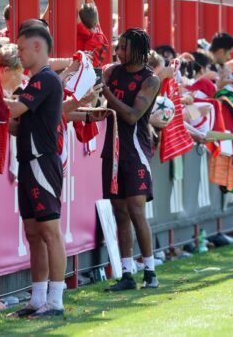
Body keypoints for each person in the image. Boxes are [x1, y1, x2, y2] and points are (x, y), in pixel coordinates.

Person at [4, 25, 66, 319]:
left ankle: (55, 301)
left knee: (49, 231)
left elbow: (15, 111)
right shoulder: (35, 81)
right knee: (32, 232)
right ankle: (37, 298)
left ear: (38, 47)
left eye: (21, 48)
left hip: (42, 162)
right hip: (28, 161)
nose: (18, 54)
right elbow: (19, 125)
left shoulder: (45, 80)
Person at [101, 28, 161, 290]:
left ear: (138, 50)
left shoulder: (150, 80)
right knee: (119, 211)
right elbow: (105, 109)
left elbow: (132, 115)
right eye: (118, 46)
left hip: (136, 150)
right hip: (111, 149)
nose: (119, 51)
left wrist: (106, 93)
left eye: (124, 47)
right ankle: (126, 274)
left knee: (137, 210)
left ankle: (150, 271)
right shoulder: (113, 71)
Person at [76, 0, 110, 68]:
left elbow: (75, 11)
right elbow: (93, 5)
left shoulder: (87, 34)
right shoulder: (98, 30)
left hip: (84, 71)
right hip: (96, 70)